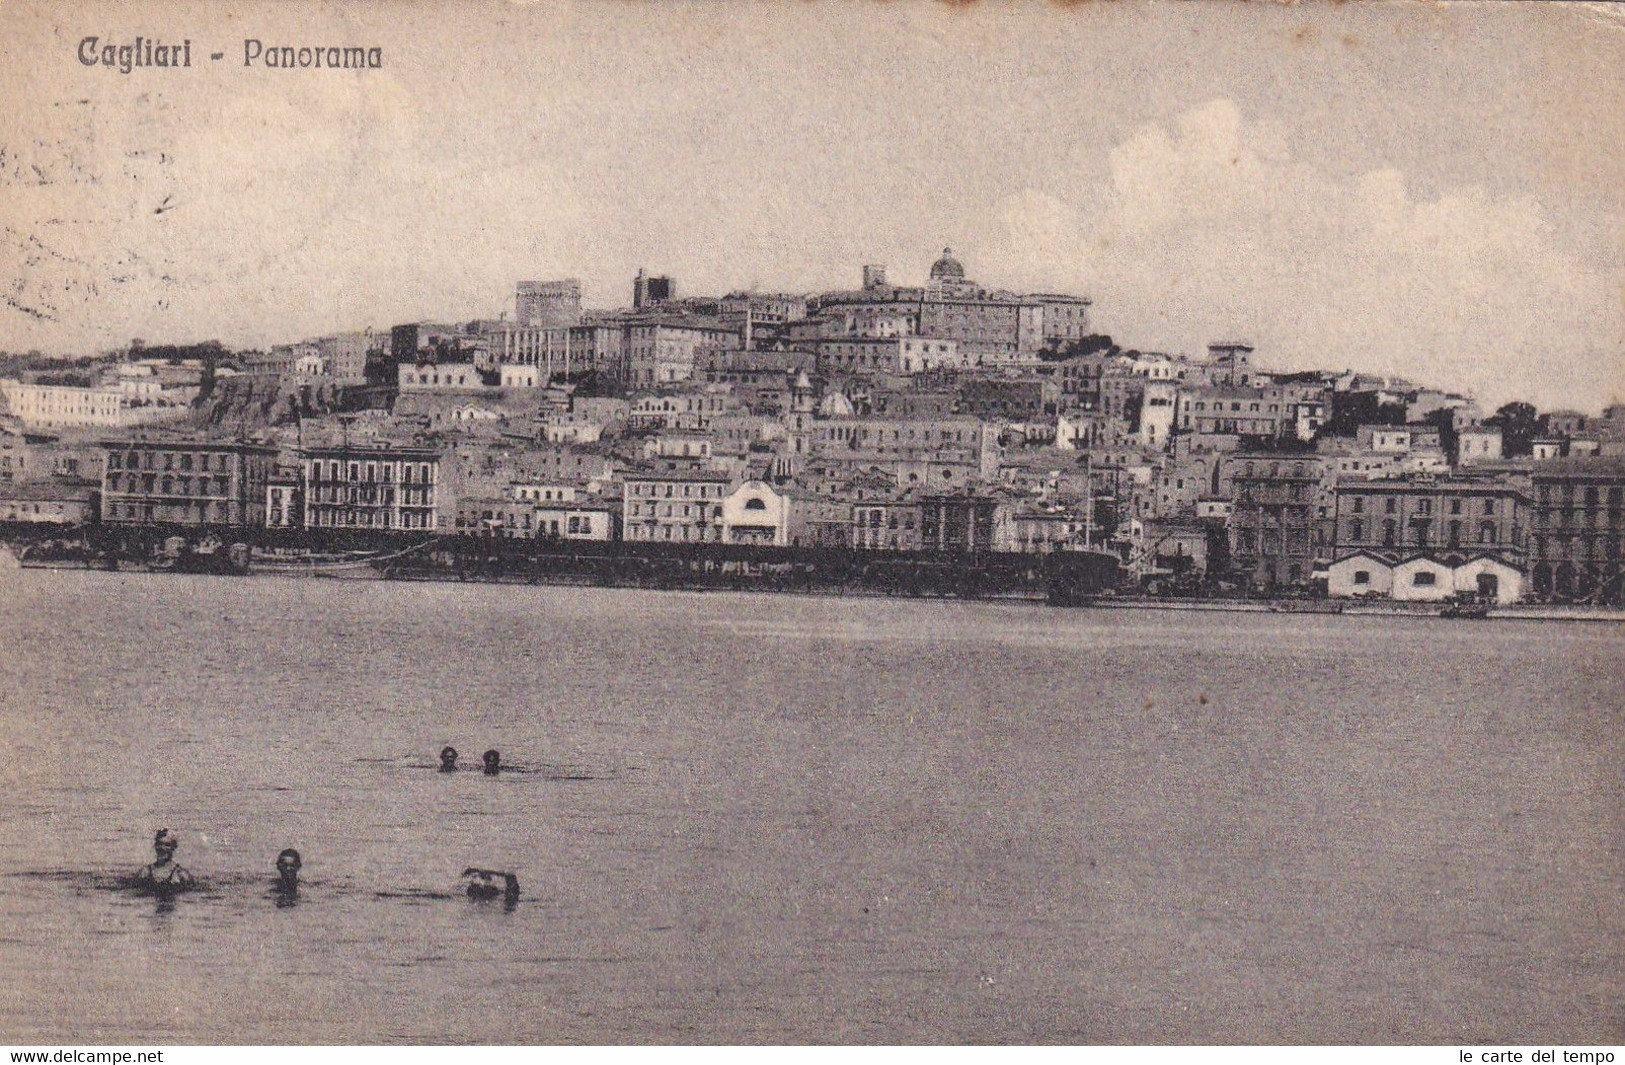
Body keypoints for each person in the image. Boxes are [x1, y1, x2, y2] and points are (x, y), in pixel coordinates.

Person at [134, 828, 194, 894]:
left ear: (174, 847)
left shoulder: (181, 875)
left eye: (167, 845)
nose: (162, 848)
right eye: (159, 844)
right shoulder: (145, 873)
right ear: (155, 846)